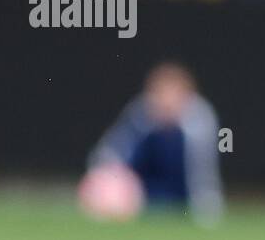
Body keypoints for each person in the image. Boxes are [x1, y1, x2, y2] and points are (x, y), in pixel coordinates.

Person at [83, 63, 224, 224]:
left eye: (174, 95)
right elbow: (108, 153)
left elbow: (202, 172)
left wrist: (207, 208)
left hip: (181, 196)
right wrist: (106, 183)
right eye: (161, 94)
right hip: (145, 195)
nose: (167, 102)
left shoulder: (200, 119)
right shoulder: (140, 114)